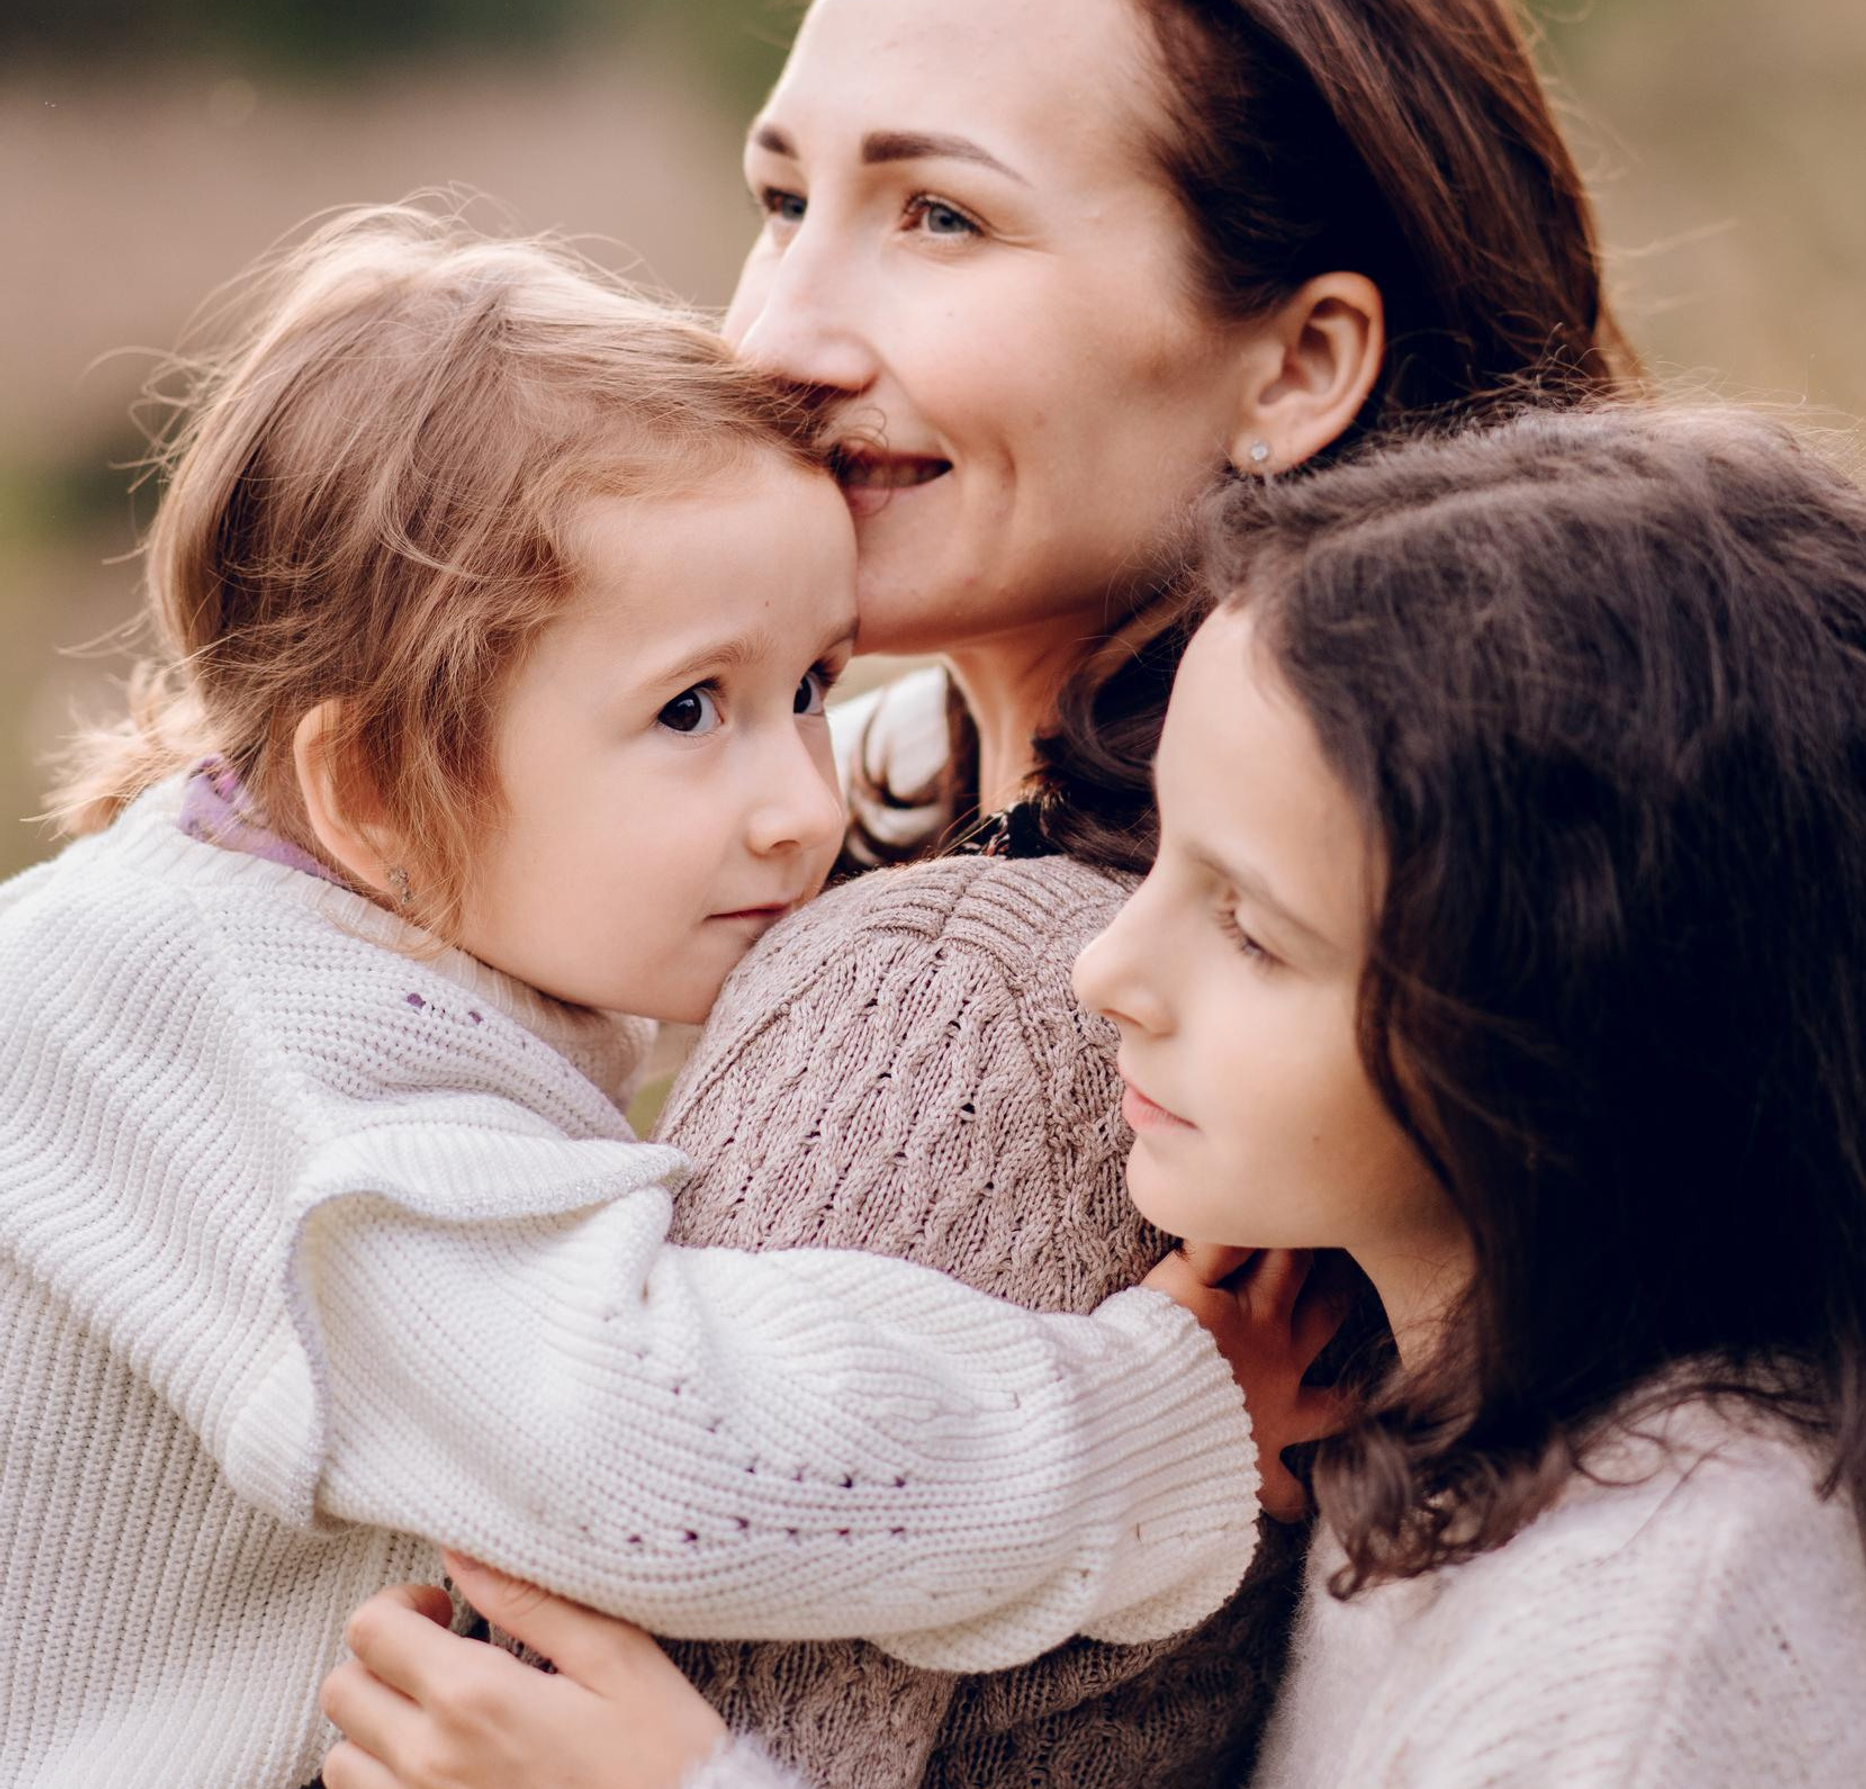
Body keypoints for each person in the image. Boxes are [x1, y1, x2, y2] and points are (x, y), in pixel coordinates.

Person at [432, 0, 1630, 1784]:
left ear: (1298, 364)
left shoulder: (958, 1004)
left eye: (941, 217)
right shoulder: (1275, 907)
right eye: (780, 203)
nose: (779, 335)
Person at [327, 404, 1866, 1789]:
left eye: (1248, 925)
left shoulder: (1666, 1614)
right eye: (1158, 858)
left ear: (1576, 1019)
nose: (1103, 972)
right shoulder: (1462, 1433)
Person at [0, 204, 1350, 1789]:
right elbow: (655, 1448)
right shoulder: (256, 1059)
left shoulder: (297, 910)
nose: (801, 800)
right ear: (372, 780)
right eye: (694, 708)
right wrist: (1157, 1420)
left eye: (815, 689)